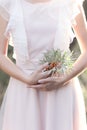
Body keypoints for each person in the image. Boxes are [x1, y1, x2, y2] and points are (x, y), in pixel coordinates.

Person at [0, 0, 87, 129]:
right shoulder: (8, 4)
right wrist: (28, 79)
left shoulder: (70, 3)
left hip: (61, 92)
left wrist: (64, 78)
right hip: (24, 93)